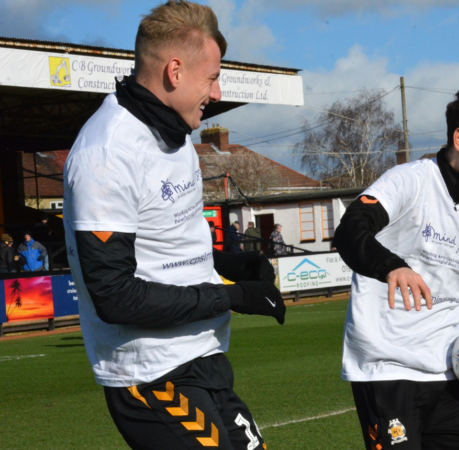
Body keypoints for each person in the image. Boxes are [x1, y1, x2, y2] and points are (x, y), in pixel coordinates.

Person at [63, 2, 285, 448]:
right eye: (212, 77)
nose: (218, 93)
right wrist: (234, 296)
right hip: (152, 376)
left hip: (204, 358)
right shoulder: (107, 154)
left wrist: (232, 263)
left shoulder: (177, 134)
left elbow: (165, 246)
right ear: (175, 71)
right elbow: (114, 295)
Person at [333, 85, 459, 450]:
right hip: (387, 370)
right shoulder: (409, 181)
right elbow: (350, 231)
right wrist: (391, 266)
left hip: (450, 372)